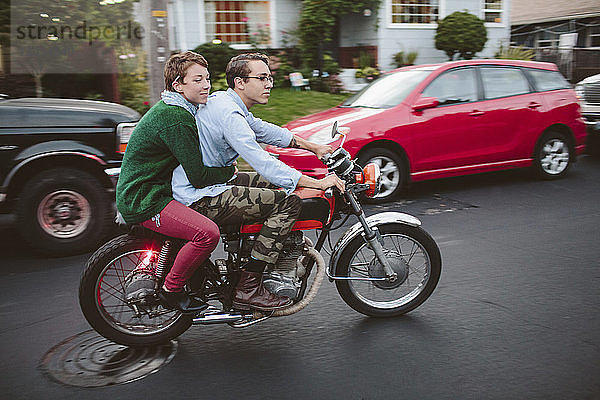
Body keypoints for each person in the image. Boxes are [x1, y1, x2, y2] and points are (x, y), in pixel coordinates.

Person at [169, 53, 345, 312]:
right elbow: (260, 159)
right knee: (288, 203)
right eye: (262, 78)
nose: (269, 83)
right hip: (200, 195)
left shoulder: (226, 101)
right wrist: (317, 183)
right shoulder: (230, 114)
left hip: (207, 183)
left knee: (273, 185)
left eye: (270, 77)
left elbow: (264, 130)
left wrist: (313, 147)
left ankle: (262, 251)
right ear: (240, 82)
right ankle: (248, 286)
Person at [116, 51, 235, 313]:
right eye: (197, 80)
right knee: (207, 234)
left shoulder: (175, 108)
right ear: (177, 85)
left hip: (151, 190)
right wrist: (229, 171)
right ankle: (172, 288)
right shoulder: (176, 117)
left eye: (207, 78)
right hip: (146, 199)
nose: (206, 85)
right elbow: (199, 176)